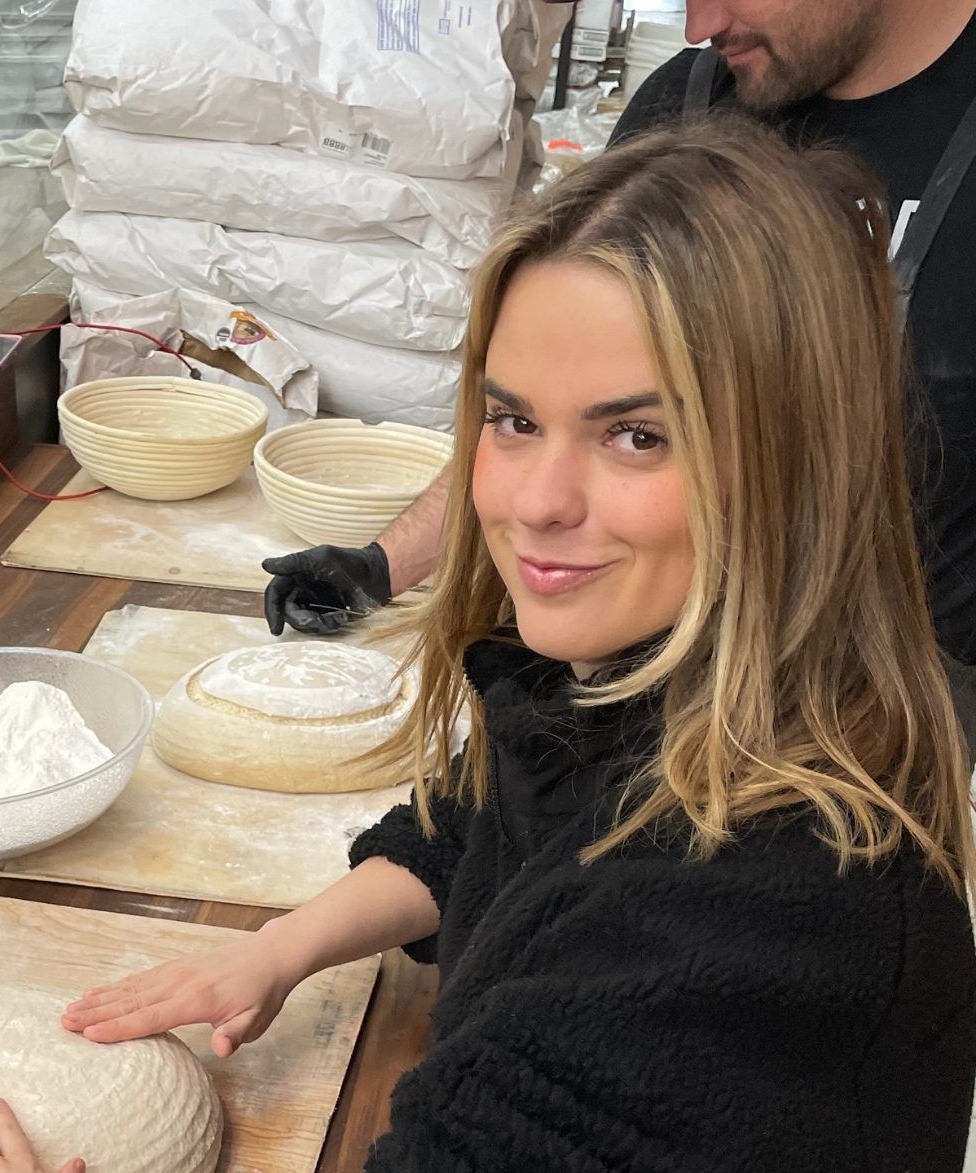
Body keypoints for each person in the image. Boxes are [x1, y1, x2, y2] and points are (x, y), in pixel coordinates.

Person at [0, 122, 976, 1173]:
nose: (535, 502)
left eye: (636, 436)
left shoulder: (753, 911)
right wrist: (277, 952)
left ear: (799, 462)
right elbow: (491, 826)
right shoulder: (669, 690)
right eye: (514, 421)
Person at [264, 0, 976, 749]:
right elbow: (564, 406)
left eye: (641, 435)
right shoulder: (690, 98)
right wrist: (384, 565)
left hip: (886, 716)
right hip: (636, 700)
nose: (699, 25)